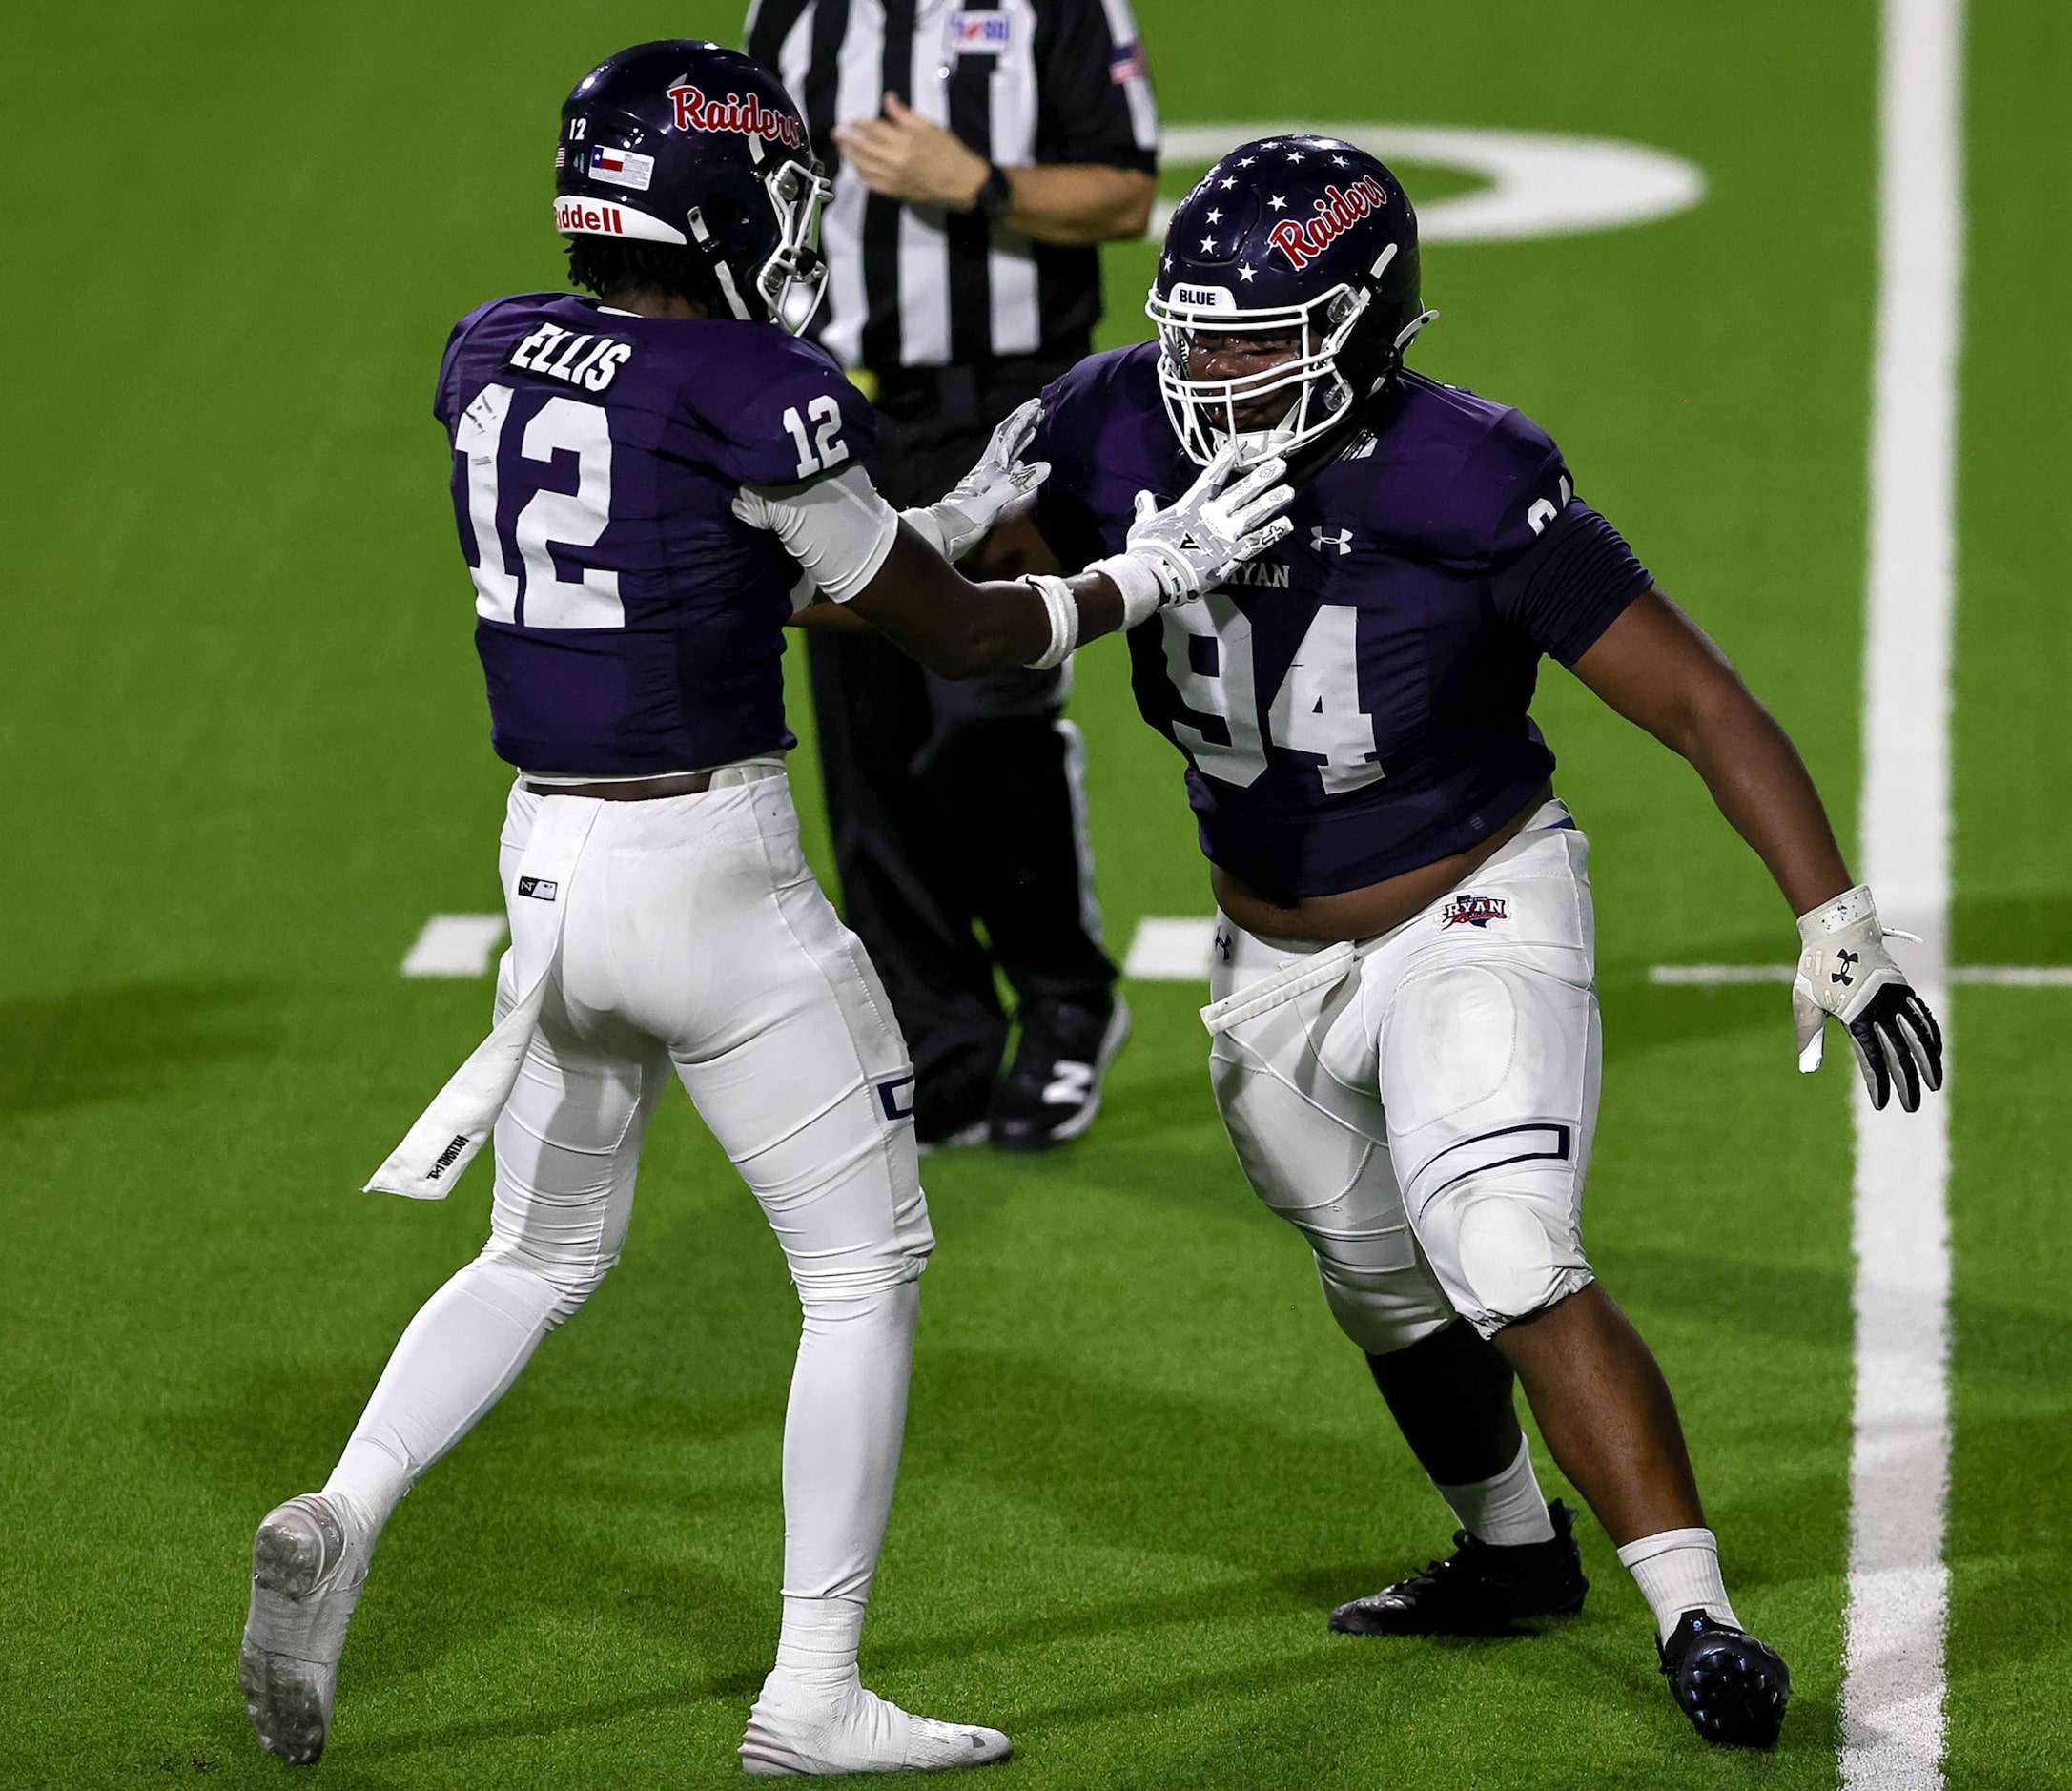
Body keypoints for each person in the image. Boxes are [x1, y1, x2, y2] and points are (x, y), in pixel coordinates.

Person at [235, 44, 1290, 1776]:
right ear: (717, 202)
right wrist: (1139, 575)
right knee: (861, 1268)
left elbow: (718, 560)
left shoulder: (492, 348)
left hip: (544, 879)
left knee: (540, 1249)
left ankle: (346, 1502)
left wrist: (930, 522)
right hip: (711, 880)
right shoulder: (756, 383)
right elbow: (950, 639)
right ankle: (811, 1690)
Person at [973, 136, 1944, 1749]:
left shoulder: (1466, 471)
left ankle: (1693, 1612)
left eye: (1250, 341)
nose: (1204, 373)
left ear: (1359, 328)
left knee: (1498, 1242)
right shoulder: (1101, 418)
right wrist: (933, 531)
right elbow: (969, 591)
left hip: (1468, 896)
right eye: (1189, 331)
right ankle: (1508, 1551)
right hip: (1262, 954)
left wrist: (1829, 912)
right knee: (1373, 1280)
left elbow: (1692, 695)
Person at [743, 0, 1160, 1150]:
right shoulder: (794, 12)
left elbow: (1124, 195)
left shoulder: (1056, 11)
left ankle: (1068, 1004)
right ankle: (942, 1043)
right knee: (867, 745)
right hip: (842, 406)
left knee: (987, 716)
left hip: (1006, 405)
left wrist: (974, 181)